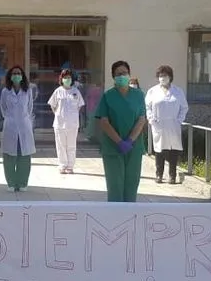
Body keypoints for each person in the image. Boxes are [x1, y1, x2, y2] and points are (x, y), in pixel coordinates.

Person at [95, 61, 147, 202]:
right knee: (115, 186)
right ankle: (115, 217)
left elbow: (142, 119)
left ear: (129, 74)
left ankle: (130, 216)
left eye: (125, 73)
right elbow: (104, 122)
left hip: (134, 146)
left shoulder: (138, 95)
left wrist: (130, 140)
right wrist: (119, 141)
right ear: (113, 77)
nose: (122, 76)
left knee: (131, 185)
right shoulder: (108, 96)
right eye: (118, 74)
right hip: (113, 146)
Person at [145, 65, 189, 184]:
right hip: (159, 124)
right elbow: (147, 107)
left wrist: (179, 120)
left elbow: (184, 107)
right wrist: (151, 119)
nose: (162, 78)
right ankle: (159, 175)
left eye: (164, 75)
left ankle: (172, 176)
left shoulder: (178, 91)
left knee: (173, 151)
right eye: (160, 76)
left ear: (170, 77)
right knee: (159, 151)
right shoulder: (152, 91)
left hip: (173, 124)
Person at [0, 65, 36, 192]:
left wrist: (23, 119)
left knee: (24, 156)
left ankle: (22, 182)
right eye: (14, 73)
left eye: (19, 73)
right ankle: (11, 182)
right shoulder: (5, 91)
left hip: (24, 125)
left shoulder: (28, 91)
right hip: (10, 126)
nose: (16, 75)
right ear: (10, 76)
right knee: (9, 156)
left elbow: (30, 107)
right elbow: (3, 108)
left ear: (22, 76)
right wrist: (11, 119)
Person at [47, 68, 85, 174]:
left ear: (72, 79)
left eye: (69, 77)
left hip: (73, 124)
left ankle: (70, 166)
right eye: (65, 77)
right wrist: (59, 114)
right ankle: (62, 165)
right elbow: (52, 105)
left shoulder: (75, 91)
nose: (67, 79)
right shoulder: (58, 91)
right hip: (59, 124)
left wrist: (72, 116)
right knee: (61, 145)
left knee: (71, 145)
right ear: (61, 78)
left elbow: (79, 106)